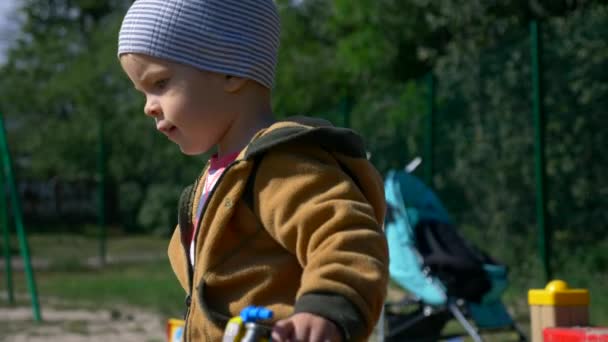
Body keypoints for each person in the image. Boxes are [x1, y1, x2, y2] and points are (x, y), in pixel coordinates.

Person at [117, 1, 388, 341]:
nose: (148, 107)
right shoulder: (221, 175)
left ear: (231, 71)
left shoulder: (282, 166)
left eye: (159, 83)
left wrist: (326, 309)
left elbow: (345, 236)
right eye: (142, 92)